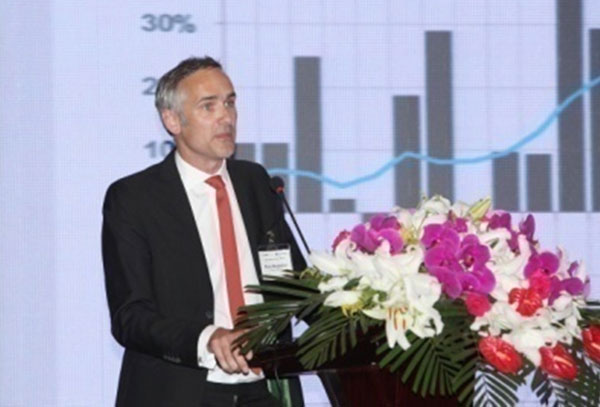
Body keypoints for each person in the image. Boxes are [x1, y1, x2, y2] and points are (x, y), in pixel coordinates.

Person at [102, 56, 305, 406]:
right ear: (172, 120)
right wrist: (207, 338)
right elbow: (130, 317)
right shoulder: (135, 198)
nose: (226, 117)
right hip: (180, 392)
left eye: (229, 103)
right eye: (208, 106)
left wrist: (370, 309)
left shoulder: (256, 182)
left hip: (263, 389)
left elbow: (294, 283)